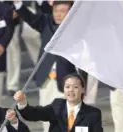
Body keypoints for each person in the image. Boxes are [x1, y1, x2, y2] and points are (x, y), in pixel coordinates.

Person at [13, 1, 76, 131]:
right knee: (46, 117)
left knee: (64, 119)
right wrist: (18, 3)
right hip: (45, 79)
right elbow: (30, 18)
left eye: (62, 11)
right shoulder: (46, 22)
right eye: (56, 11)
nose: (58, 15)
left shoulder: (76, 29)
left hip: (65, 81)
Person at [14, 73, 103, 132]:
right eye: (67, 87)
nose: (71, 90)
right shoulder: (57, 105)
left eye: (75, 87)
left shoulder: (93, 114)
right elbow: (34, 114)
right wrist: (22, 102)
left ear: (83, 89)